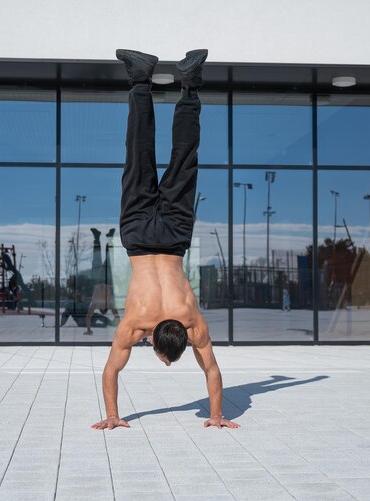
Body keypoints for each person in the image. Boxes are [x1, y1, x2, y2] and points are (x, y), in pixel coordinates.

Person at [92, 49, 240, 431]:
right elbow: (110, 372)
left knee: (184, 158)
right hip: (140, 235)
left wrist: (217, 414)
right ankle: (141, 79)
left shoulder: (191, 321)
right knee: (138, 156)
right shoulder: (134, 324)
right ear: (156, 343)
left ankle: (189, 85)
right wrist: (111, 416)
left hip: (174, 236)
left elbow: (212, 370)